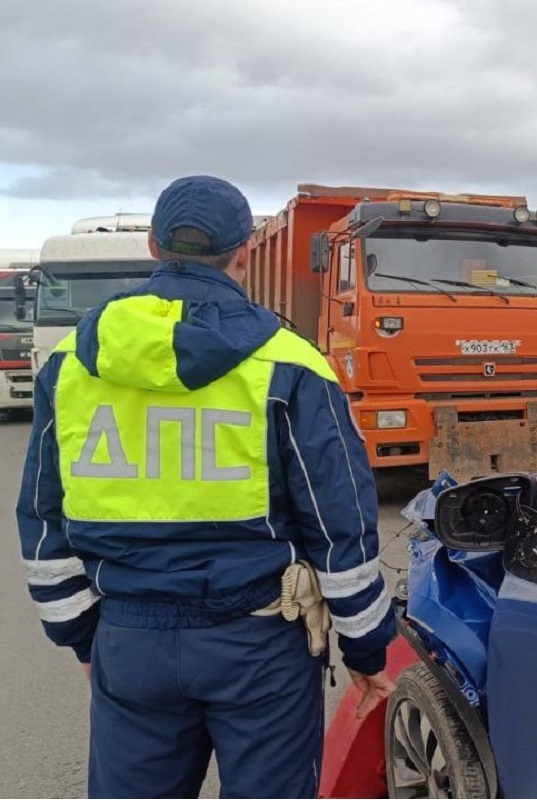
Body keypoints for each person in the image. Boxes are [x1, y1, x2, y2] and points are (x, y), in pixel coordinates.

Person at [15, 175, 397, 798]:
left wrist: (84, 637)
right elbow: (340, 522)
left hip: (129, 639)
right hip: (260, 646)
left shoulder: (71, 364)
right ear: (243, 251)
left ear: (153, 249)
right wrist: (366, 647)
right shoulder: (290, 363)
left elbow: (40, 518)